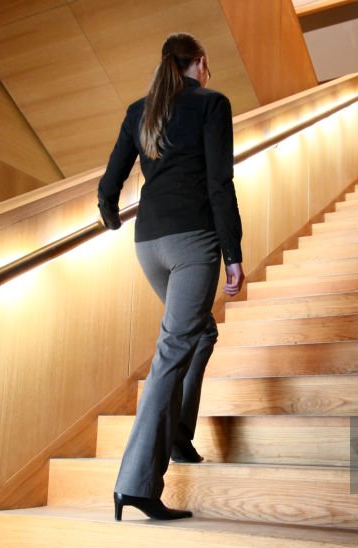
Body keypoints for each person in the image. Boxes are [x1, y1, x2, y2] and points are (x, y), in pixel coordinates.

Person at [97, 33, 245, 521]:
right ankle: (136, 483)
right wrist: (233, 253)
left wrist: (112, 216)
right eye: (208, 65)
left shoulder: (140, 109)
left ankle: (178, 437)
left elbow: (110, 181)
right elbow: (219, 182)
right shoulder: (211, 104)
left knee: (200, 333)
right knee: (172, 353)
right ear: (200, 63)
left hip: (149, 244)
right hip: (191, 245)